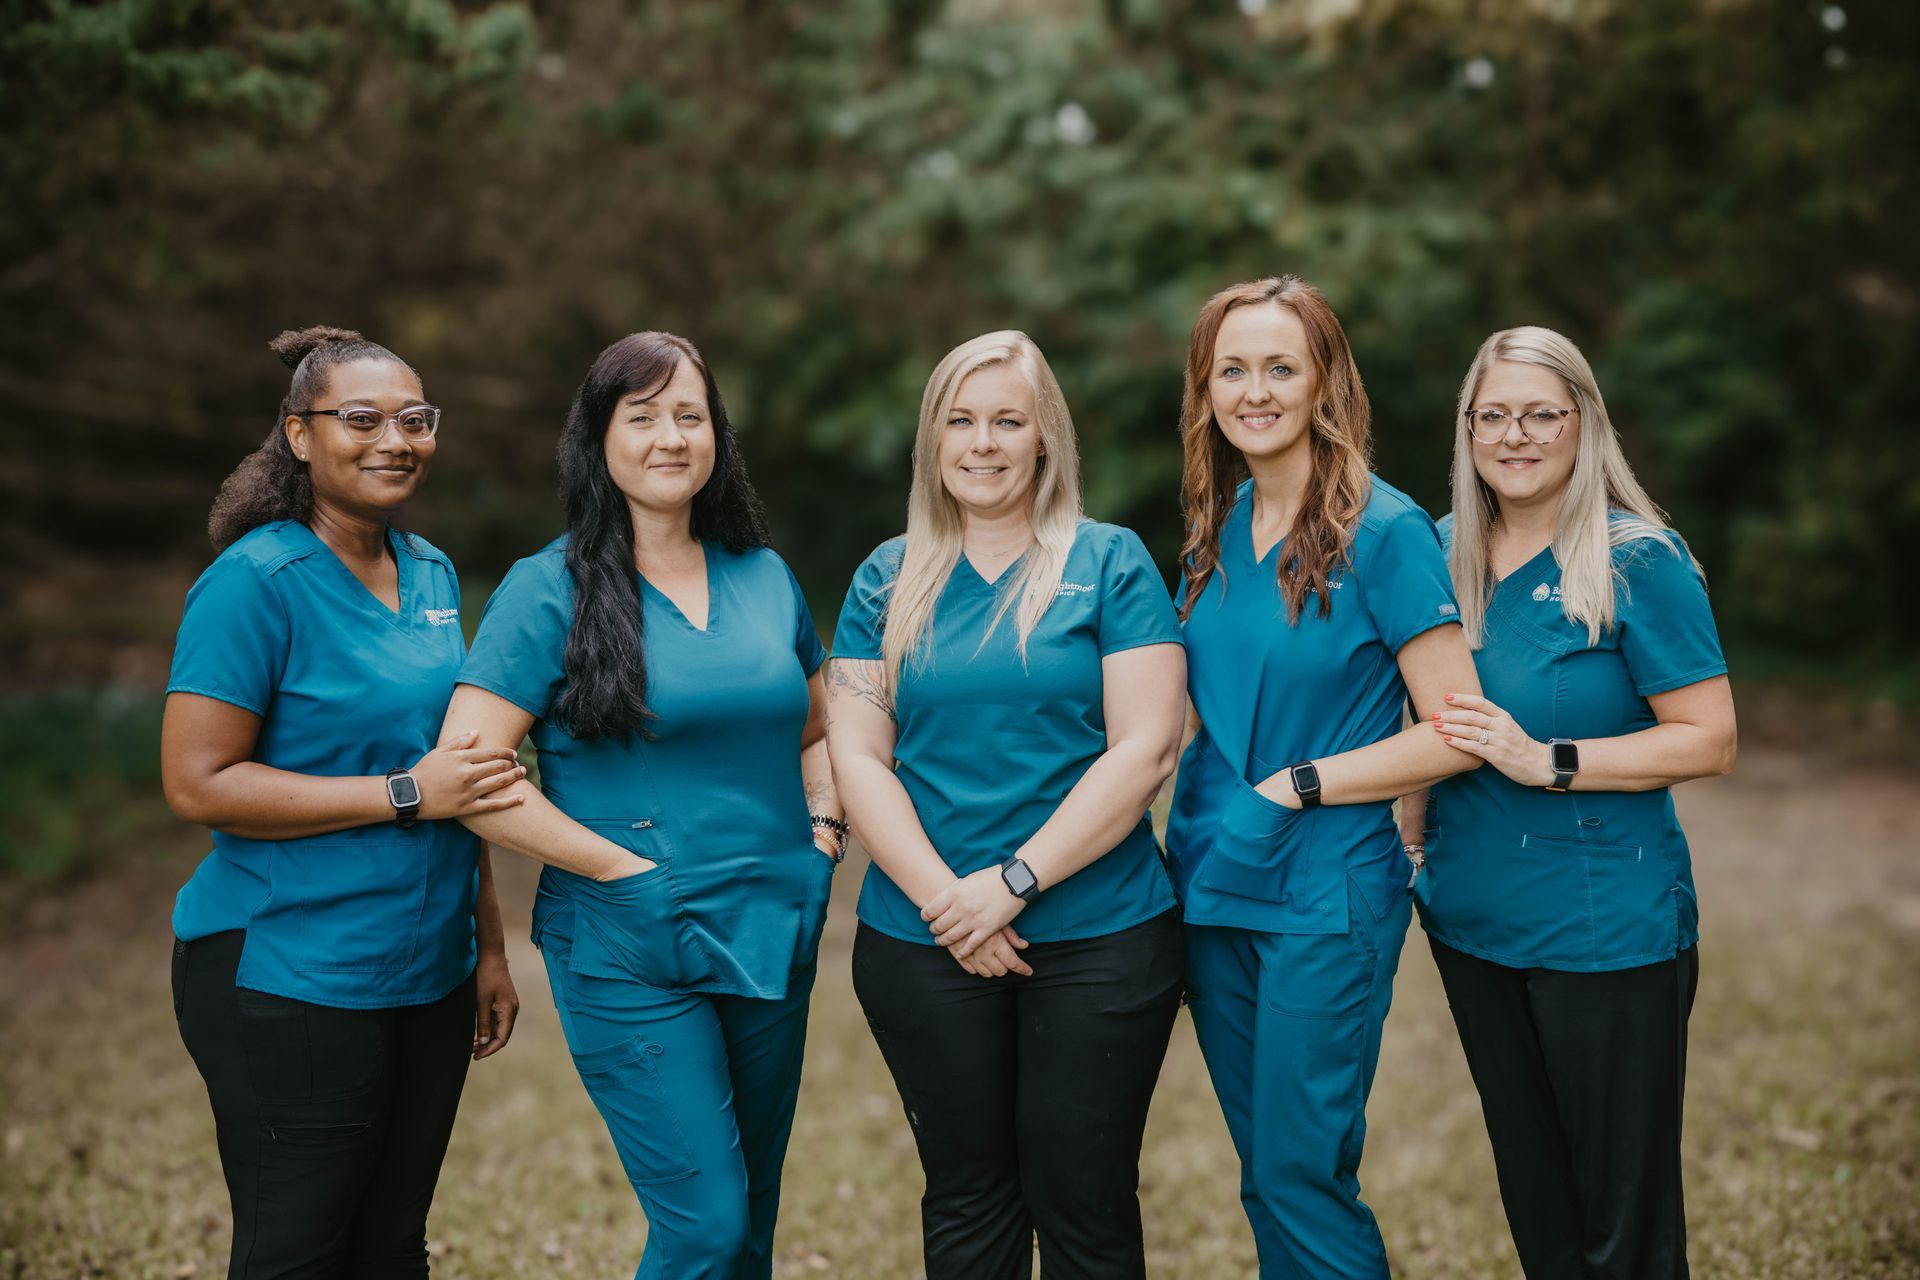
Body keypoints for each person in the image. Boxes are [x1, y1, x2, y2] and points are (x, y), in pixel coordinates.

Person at [439, 331, 839, 1280]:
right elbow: (465, 771)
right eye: (644, 415)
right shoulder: (550, 588)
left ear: (717, 439)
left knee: (750, 1222)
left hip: (774, 925)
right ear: (599, 438)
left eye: (690, 416)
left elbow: (817, 733)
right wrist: (620, 868)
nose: (671, 436)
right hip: (629, 943)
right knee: (702, 1227)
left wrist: (822, 838)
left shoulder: (763, 576)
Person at [162, 326, 525, 1279]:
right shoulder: (253, 584)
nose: (394, 440)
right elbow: (199, 782)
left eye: (415, 420)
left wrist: (486, 946)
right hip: (288, 971)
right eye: (360, 420)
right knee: (297, 1252)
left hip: (429, 972)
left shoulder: (434, 572)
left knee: (392, 1247)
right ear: (297, 435)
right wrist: (404, 792)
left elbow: (462, 769)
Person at [827, 330, 1187, 1280]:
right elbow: (859, 756)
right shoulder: (886, 575)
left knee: (1086, 1196)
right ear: (933, 441)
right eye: (961, 421)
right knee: (967, 1196)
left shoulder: (1109, 563)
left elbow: (1145, 747)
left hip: (1100, 936)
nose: (982, 444)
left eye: (1007, 422)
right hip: (923, 939)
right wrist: (953, 902)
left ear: (1044, 440)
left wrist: (1013, 885)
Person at [1163, 276, 1484, 1278]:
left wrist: (1295, 784)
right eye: (1233, 369)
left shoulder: (1384, 533)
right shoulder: (1214, 532)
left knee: (1304, 1167)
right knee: (1264, 1167)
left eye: (1279, 367)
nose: (1255, 389)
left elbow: (1459, 731)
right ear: (1206, 390)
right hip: (1213, 879)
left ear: (1322, 384)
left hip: (1326, 889)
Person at [1404, 326, 1736, 1279]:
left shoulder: (1637, 559)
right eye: (1493, 414)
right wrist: (1415, 847)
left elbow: (1709, 738)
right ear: (1467, 427)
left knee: (1618, 1223)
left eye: (1542, 413)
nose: (1516, 435)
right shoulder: (1437, 554)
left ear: (1584, 423)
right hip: (1471, 925)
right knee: (1538, 1203)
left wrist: (1547, 758)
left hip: (1607, 931)